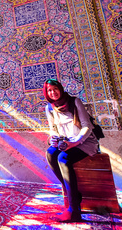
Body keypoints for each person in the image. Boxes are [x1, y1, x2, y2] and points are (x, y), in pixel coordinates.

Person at [43, 79, 99, 222]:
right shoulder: (49, 108)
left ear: (60, 88)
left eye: (55, 89)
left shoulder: (74, 102)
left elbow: (87, 126)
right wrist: (53, 139)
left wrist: (75, 142)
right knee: (50, 153)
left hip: (84, 141)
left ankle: (74, 210)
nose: (53, 92)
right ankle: (74, 194)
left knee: (63, 158)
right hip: (66, 141)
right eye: (49, 90)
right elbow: (53, 129)